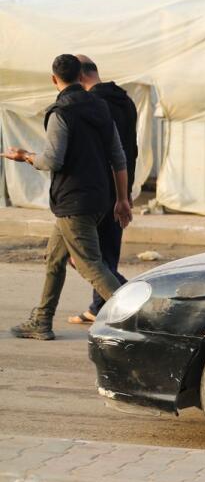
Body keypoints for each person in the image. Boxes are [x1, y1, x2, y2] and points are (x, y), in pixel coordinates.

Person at [2, 54, 132, 340]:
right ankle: (42, 321)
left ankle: (139, 317)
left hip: (73, 201)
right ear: (81, 75)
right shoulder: (101, 107)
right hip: (99, 197)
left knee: (90, 265)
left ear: (53, 79)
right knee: (54, 258)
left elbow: (52, 161)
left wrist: (24, 155)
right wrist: (122, 198)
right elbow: (118, 156)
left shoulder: (60, 112)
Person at [70, 55, 138, 324]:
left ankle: (132, 298)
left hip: (97, 188)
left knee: (83, 254)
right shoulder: (125, 100)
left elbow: (107, 151)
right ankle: (99, 305)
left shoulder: (95, 104)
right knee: (105, 252)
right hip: (120, 183)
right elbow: (128, 150)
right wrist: (126, 190)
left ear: (80, 76)